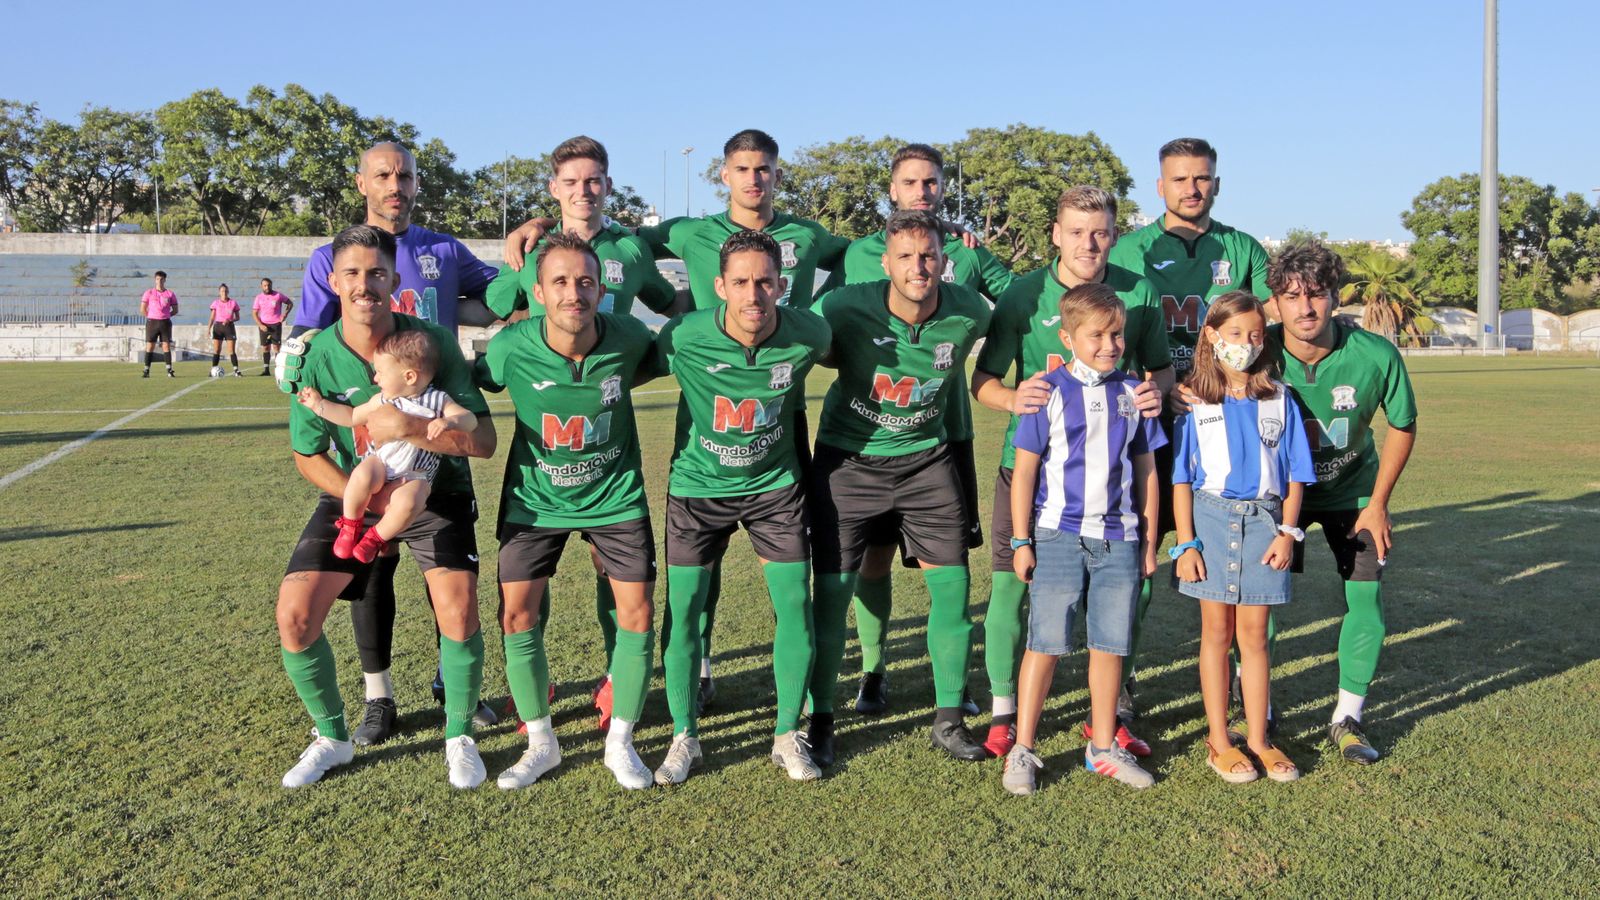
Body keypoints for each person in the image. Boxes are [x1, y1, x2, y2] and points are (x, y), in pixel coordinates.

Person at [505, 129, 851, 714]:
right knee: (694, 565)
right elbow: (608, 234)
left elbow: (864, 254)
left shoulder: (806, 234)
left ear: (776, 174)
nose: (753, 178)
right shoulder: (686, 233)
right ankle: (701, 662)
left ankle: (802, 710)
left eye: (763, 168)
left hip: (783, 419)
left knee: (794, 576)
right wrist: (539, 225)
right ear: (724, 174)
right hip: (692, 413)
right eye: (742, 168)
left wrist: (809, 311)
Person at [278, 141, 501, 745]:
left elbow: (497, 301)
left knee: (453, 599)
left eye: (403, 175)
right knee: (363, 579)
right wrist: (366, 495)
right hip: (364, 475)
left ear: (395, 279)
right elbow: (308, 437)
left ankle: (454, 694)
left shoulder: (437, 288)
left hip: (433, 468)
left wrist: (526, 252)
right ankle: (376, 700)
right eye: (353, 273)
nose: (364, 283)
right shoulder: (324, 322)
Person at [484, 136, 680, 732]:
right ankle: (532, 690)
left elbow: (670, 303)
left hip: (608, 397)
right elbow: (498, 303)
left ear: (608, 185)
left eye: (594, 180)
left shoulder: (631, 248)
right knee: (525, 593)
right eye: (571, 182)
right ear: (554, 189)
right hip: (546, 399)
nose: (584, 191)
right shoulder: (534, 249)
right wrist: (525, 248)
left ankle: (615, 679)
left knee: (615, 579)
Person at [971, 186, 1171, 759]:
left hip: (1111, 477)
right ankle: (1006, 711)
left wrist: (1156, 395)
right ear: (1055, 234)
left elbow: (1159, 373)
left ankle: (1111, 714)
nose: (1089, 242)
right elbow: (983, 380)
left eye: (1101, 231)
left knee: (1125, 595)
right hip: (1032, 472)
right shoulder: (1023, 294)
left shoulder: (1139, 292)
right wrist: (1014, 400)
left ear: (1114, 234)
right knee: (1013, 590)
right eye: (1076, 231)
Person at [819, 143, 1013, 720]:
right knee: (871, 562)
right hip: (864, 442)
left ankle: (952, 688)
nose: (922, 191)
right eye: (910, 182)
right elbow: (817, 328)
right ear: (892, 190)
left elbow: (1019, 306)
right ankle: (872, 669)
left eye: (931, 182)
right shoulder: (857, 262)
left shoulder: (970, 262)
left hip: (944, 434)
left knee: (949, 569)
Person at [474, 232, 659, 790]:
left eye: (584, 281)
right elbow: (463, 381)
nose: (573, 293)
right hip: (536, 501)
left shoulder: (630, 338)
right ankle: (541, 743)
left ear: (601, 288)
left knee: (638, 612)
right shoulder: (510, 347)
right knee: (517, 617)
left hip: (615, 496)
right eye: (559, 282)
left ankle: (620, 742)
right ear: (538, 291)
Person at [806, 209, 991, 767]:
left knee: (953, 590)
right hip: (849, 464)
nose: (919, 266)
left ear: (945, 260)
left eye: (929, 255)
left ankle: (950, 718)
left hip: (927, 463)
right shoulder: (843, 304)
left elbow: (1021, 333)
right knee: (836, 593)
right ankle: (824, 715)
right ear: (885, 263)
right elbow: (794, 337)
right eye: (906, 256)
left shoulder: (970, 311)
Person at [650, 230, 829, 784]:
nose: (754, 295)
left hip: (775, 488)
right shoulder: (683, 336)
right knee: (683, 610)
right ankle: (684, 735)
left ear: (782, 284)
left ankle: (785, 735)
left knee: (795, 605)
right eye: (742, 283)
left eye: (765, 282)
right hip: (698, 488)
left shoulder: (809, 335)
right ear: (719, 286)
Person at [1106, 137, 1272, 719]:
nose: (1191, 189)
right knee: (1139, 554)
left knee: (1245, 555)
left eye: (1201, 178)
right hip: (1150, 413)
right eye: (1179, 179)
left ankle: (1242, 689)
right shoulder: (1129, 249)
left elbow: (1263, 330)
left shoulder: (1242, 248)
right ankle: (1120, 684)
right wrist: (1160, 382)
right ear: (1161, 187)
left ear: (1216, 184)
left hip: (1228, 419)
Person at [1002, 283, 1165, 796]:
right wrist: (1021, 540)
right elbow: (1024, 474)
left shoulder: (1133, 394)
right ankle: (1022, 747)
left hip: (1119, 538)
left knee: (1109, 645)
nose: (1109, 345)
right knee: (1045, 643)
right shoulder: (1047, 392)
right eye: (1096, 335)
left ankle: (1101, 747)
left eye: (1116, 334)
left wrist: (1150, 541)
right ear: (1069, 336)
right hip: (1057, 535)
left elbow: (1148, 474)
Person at [1263, 240, 1417, 765]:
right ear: (1274, 302)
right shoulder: (1256, 350)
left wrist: (1377, 504)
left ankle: (1347, 716)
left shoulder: (1374, 353)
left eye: (1318, 295)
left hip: (1354, 493)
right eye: (1292, 296)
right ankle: (1255, 709)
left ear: (1335, 296)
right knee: (1258, 602)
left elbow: (1402, 425)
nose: (1306, 308)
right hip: (1280, 497)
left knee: (1365, 598)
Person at [1170, 291, 1315, 783]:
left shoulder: (1279, 397)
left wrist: (1288, 533)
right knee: (1216, 634)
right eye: (1235, 335)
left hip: (1266, 525)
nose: (1246, 344)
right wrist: (1186, 544)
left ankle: (1258, 739)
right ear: (1212, 336)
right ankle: (1219, 739)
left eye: (1254, 335)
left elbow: (1296, 473)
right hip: (1210, 523)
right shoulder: (1195, 398)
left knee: (1254, 637)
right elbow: (1182, 479)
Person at [298, 329, 479, 564]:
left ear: (409, 377)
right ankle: (351, 525)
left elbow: (470, 420)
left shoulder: (438, 400)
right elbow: (352, 416)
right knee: (361, 475)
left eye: (381, 373)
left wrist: (449, 421)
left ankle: (375, 538)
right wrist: (319, 405)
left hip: (416, 474)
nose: (375, 379)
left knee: (411, 501)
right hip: (381, 463)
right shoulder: (383, 399)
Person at [140, 271, 178, 378]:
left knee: (166, 346)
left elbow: (175, 310)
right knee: (150, 346)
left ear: (165, 280)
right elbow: (142, 309)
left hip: (165, 323)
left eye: (161, 279)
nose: (159, 281)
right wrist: (151, 316)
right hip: (152, 322)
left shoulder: (170, 294)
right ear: (154, 280)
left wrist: (166, 315)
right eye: (157, 279)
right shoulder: (149, 293)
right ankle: (146, 370)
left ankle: (169, 370)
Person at [253, 278, 293, 376]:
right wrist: (260, 325)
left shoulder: (278, 295)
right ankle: (266, 370)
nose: (267, 287)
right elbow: (254, 313)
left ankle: (277, 369)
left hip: (276, 325)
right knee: (265, 347)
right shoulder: (259, 298)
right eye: (265, 285)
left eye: (269, 285)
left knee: (276, 347)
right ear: (261, 286)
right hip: (264, 325)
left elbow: (290, 303)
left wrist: (285, 314)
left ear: (271, 285)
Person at [206, 284, 243, 377]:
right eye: (222, 291)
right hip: (218, 327)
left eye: (226, 291)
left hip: (229, 328)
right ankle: (213, 370)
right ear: (219, 292)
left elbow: (238, 317)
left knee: (231, 350)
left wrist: (230, 320)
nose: (224, 293)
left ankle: (236, 370)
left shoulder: (233, 303)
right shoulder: (216, 303)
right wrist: (208, 329)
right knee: (217, 350)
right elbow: (212, 317)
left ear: (228, 292)